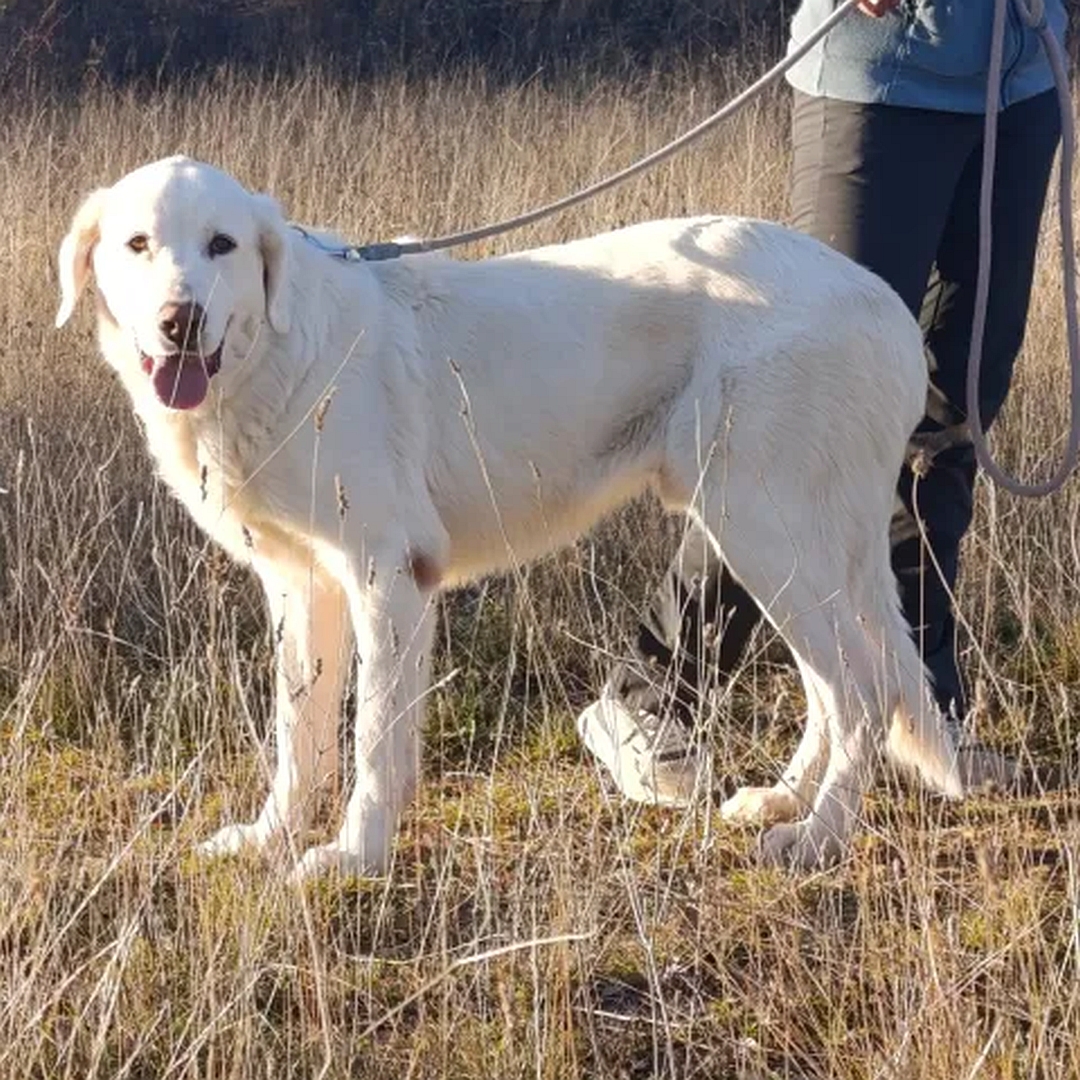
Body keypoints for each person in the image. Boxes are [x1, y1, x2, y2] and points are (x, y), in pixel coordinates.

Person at [577, 0, 1069, 805]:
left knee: (956, 405)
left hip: (1021, 83)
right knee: (793, 414)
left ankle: (920, 714)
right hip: (878, 80)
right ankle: (652, 699)